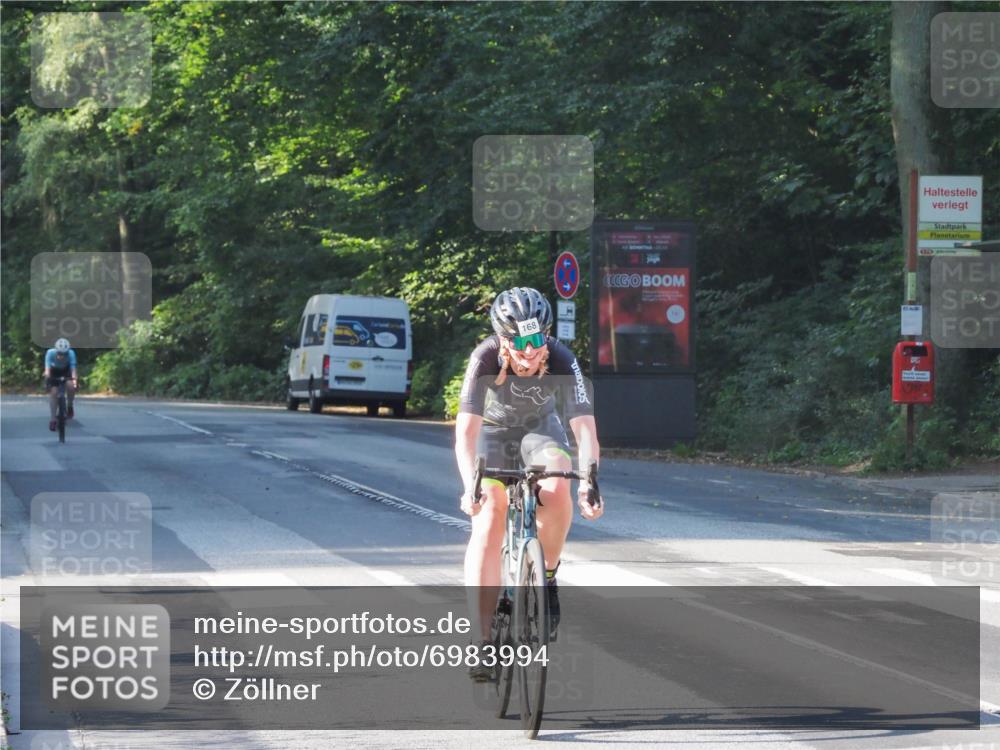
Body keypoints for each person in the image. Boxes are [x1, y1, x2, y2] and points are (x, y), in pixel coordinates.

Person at [455, 287, 603, 679]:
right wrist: (470, 484)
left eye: (536, 340)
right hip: (494, 433)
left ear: (546, 335)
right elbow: (466, 435)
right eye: (518, 342)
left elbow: (585, 430)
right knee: (489, 514)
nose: (528, 350)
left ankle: (547, 576)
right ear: (503, 340)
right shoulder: (483, 358)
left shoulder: (561, 358)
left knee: (558, 486)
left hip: (541, 430)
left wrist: (590, 480)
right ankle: (482, 641)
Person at [44, 338, 77, 431]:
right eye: (59, 353)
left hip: (66, 371)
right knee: (54, 392)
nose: (61, 356)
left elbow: (73, 369)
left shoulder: (71, 353)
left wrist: (75, 381)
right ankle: (53, 419)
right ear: (56, 351)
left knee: (71, 386)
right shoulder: (50, 353)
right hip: (54, 371)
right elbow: (47, 370)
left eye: (64, 354)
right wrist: (48, 381)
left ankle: (69, 405)